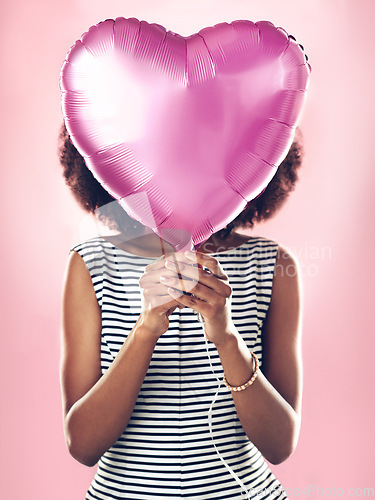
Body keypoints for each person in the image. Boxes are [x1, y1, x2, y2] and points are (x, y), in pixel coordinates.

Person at [59, 123, 303, 500]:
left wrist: (226, 337)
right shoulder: (92, 263)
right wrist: (146, 329)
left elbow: (280, 445)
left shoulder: (272, 265)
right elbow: (82, 445)